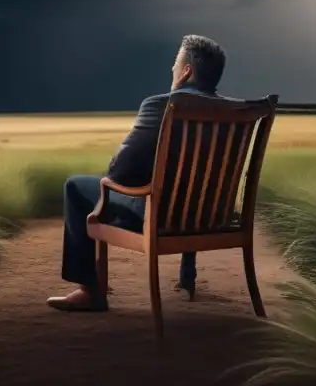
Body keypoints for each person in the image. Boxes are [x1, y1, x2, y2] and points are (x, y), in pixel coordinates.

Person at [46, 34, 227, 312]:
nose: (172, 69)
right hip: (210, 215)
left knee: (77, 186)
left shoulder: (160, 105)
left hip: (160, 215)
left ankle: (90, 291)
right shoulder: (233, 112)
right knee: (183, 191)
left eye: (176, 64)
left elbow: (119, 174)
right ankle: (187, 278)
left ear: (187, 71)